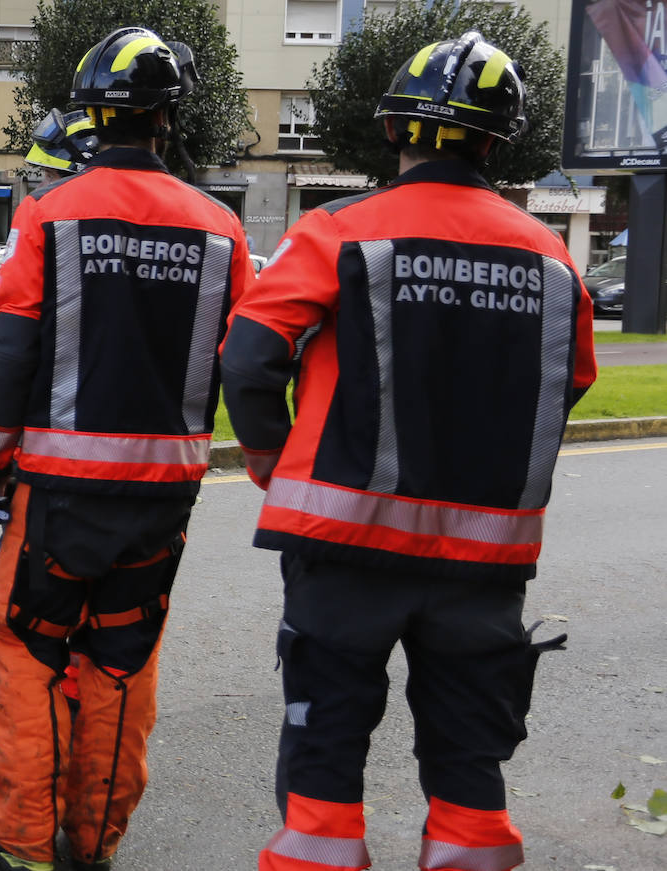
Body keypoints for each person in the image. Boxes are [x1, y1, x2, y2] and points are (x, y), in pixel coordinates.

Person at [217, 33, 598, 871]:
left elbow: (248, 359)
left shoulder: (337, 231)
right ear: (498, 142)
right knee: (469, 752)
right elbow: (567, 383)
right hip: (484, 558)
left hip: (342, 542)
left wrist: (271, 461)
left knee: (328, 738)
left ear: (396, 131)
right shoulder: (554, 258)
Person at [0, 28, 254, 871]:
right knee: (122, 663)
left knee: (28, 648)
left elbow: (12, 351)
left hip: (57, 489)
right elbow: (244, 361)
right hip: (165, 496)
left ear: (92, 116)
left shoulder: (49, 215)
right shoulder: (223, 230)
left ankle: (21, 839)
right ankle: (93, 842)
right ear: (168, 117)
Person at [0, 107, 100, 756]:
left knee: (26, 608)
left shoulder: (54, 228)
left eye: (51, 174)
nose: (36, 186)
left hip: (55, 456)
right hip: (142, 470)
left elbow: (16, 350)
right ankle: (33, 718)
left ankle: (27, 730)